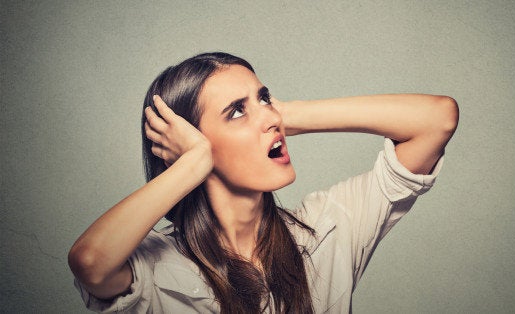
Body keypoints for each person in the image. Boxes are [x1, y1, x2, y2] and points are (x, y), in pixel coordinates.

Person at [68, 52, 458, 313]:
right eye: (236, 111)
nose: (269, 117)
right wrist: (193, 165)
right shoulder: (154, 269)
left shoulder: (328, 227)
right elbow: (91, 262)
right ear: (190, 143)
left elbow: (437, 119)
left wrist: (285, 116)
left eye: (264, 97)